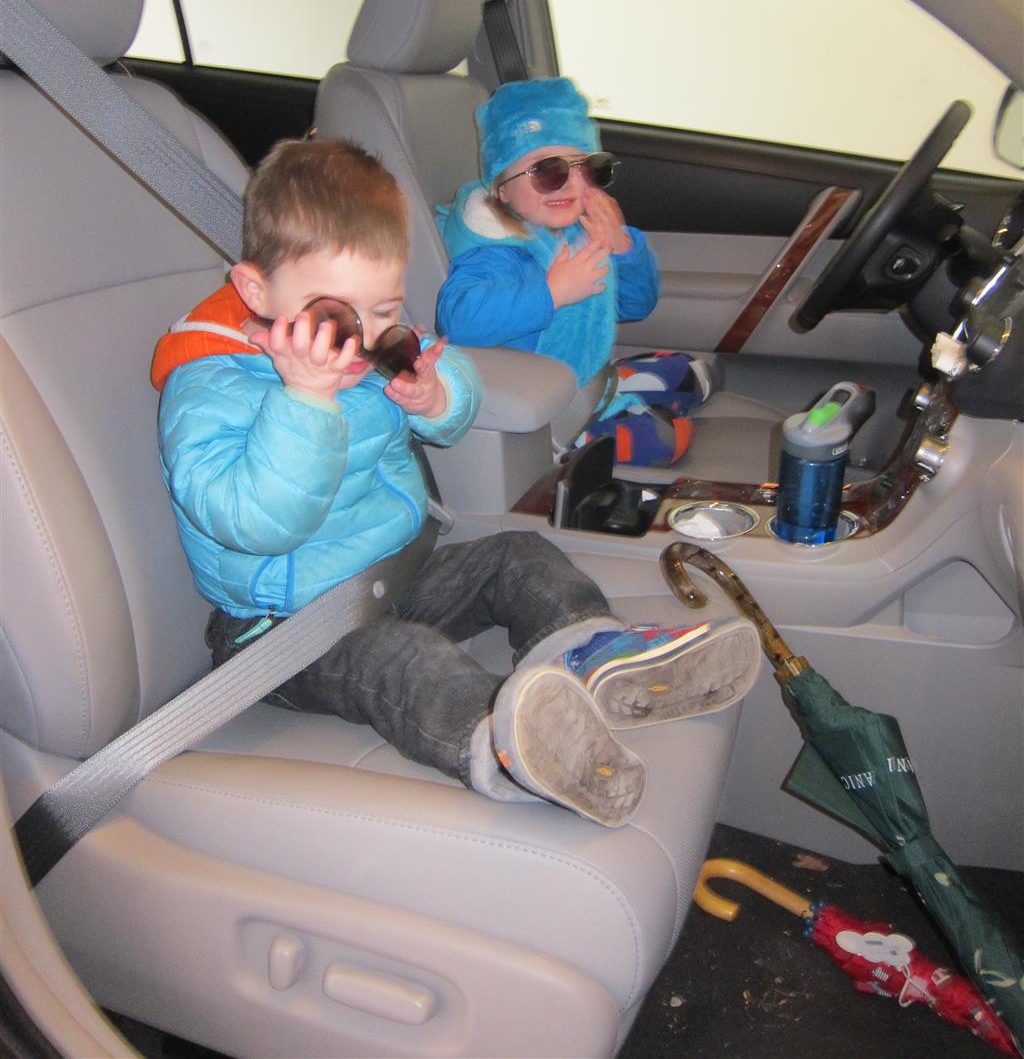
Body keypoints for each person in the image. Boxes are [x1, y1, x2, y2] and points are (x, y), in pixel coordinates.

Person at [152, 137, 759, 827]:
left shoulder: (363, 343)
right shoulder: (209, 388)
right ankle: (512, 747)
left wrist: (437, 394)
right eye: (337, 318)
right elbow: (258, 523)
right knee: (406, 660)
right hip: (283, 631)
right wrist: (305, 402)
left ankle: (596, 654)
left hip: (392, 578)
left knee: (516, 554)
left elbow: (451, 377)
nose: (367, 340)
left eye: (386, 311)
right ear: (256, 292)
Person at [436, 77, 716, 467]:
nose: (570, 183)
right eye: (548, 172)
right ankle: (618, 422)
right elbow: (459, 320)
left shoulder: (576, 230)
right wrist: (551, 292)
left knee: (684, 367)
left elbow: (637, 305)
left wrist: (623, 249)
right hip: (552, 406)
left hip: (591, 376)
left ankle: (641, 392)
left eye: (588, 168)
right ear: (503, 189)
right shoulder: (496, 249)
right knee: (665, 442)